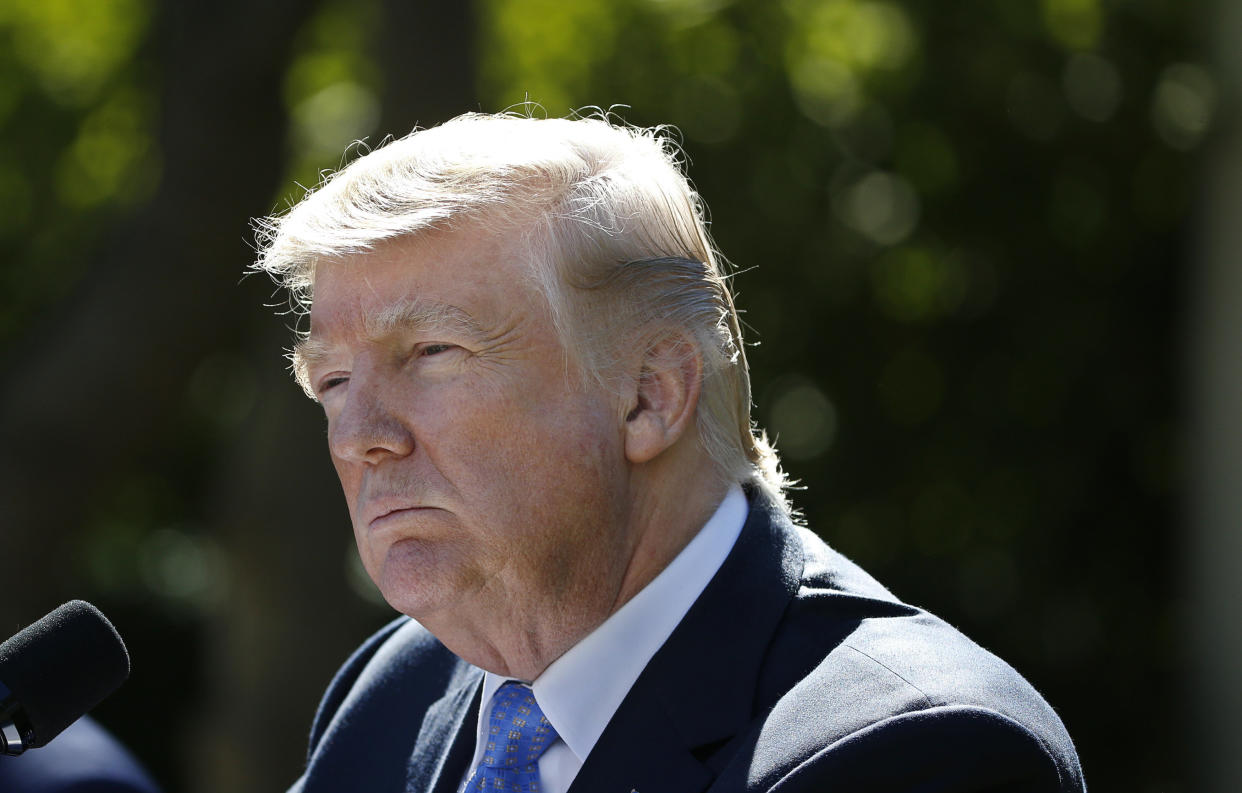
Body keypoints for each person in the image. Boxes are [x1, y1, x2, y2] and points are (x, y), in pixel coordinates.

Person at [252, 111, 1085, 793]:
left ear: (651, 394)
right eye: (330, 380)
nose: (361, 435)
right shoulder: (395, 697)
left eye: (431, 353)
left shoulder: (918, 751)